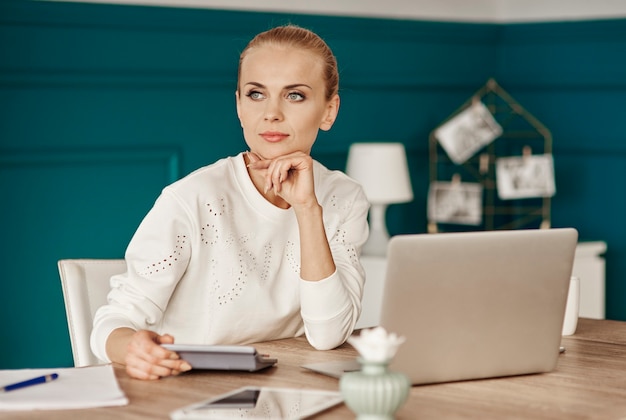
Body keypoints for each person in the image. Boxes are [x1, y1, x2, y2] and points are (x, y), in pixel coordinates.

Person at [90, 24, 370, 380]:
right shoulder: (191, 199)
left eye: (294, 95)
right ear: (238, 105)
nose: (272, 113)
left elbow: (329, 335)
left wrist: (306, 209)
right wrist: (134, 349)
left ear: (329, 111)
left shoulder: (344, 198)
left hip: (290, 391)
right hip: (189, 390)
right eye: (256, 94)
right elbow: (112, 322)